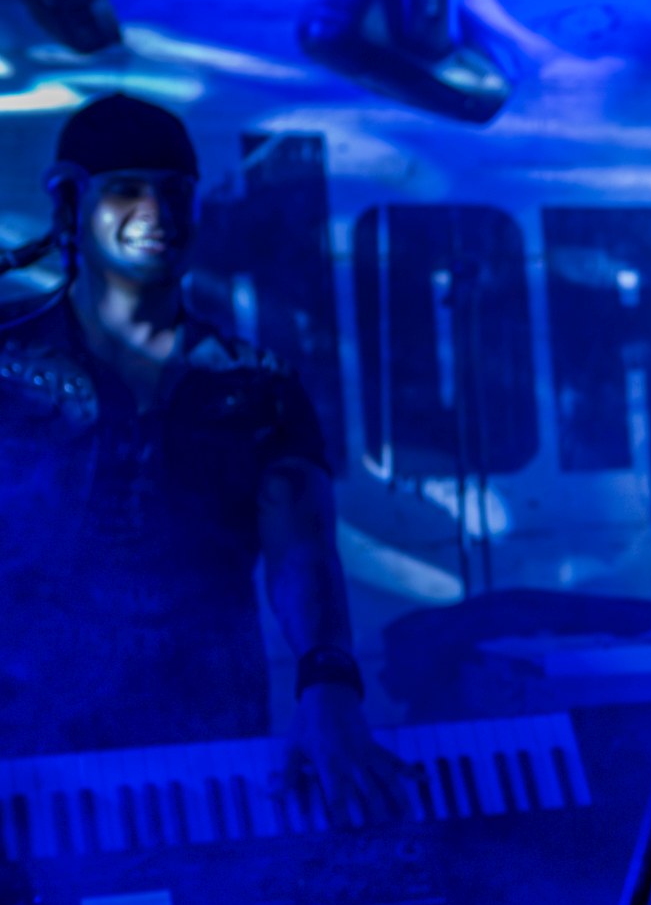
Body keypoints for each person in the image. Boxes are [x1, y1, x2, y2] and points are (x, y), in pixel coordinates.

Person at [0, 93, 410, 818]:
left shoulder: (260, 387)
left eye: (175, 191)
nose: (156, 211)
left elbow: (302, 548)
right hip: (26, 762)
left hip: (211, 756)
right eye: (126, 189)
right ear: (69, 201)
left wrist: (327, 682)